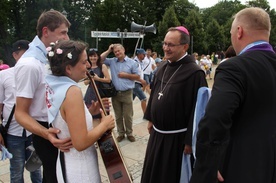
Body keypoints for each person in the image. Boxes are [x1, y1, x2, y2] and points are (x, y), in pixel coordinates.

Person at [190, 7, 276, 183]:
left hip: (243, 165)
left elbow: (214, 119)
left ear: (239, 32)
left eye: (230, 33)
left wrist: (207, 167)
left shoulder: (234, 67)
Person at [141, 26, 207, 183]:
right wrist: (151, 118)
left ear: (184, 46)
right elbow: (156, 93)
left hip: (177, 140)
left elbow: (198, 111)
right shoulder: (162, 67)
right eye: (164, 43)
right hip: (157, 134)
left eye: (170, 45)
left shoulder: (195, 73)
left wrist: (190, 140)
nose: (165, 48)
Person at [45, 40, 115, 183]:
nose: (88, 66)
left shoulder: (53, 84)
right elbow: (81, 142)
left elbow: (65, 119)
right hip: (81, 170)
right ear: (69, 68)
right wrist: (105, 124)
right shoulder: (73, 91)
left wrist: (89, 112)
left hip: (66, 162)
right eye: (84, 62)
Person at [14, 10, 71, 183]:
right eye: (63, 32)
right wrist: (46, 134)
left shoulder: (50, 57)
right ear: (46, 31)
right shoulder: (29, 64)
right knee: (54, 177)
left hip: (58, 126)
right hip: (45, 130)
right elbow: (20, 113)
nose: (67, 38)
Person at [0, 40, 42, 183]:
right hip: (13, 132)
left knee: (36, 168)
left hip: (33, 131)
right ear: (15, 55)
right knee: (16, 170)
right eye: (23, 55)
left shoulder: (36, 72)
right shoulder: (4, 75)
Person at [101, 43, 140, 142]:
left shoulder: (132, 62)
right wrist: (109, 50)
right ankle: (121, 133)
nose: (117, 53)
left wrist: (126, 75)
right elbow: (100, 59)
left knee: (128, 116)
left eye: (119, 51)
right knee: (118, 116)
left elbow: (137, 77)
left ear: (123, 50)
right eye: (115, 52)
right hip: (115, 93)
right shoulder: (112, 61)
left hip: (127, 92)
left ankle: (129, 133)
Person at [83, 49, 111, 118]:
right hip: (90, 94)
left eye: (95, 56)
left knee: (103, 114)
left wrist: (98, 79)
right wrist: (90, 78)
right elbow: (85, 82)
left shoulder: (102, 66)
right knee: (90, 116)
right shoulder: (87, 68)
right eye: (91, 56)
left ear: (98, 57)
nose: (93, 58)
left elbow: (108, 80)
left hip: (101, 93)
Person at [133, 48, 147, 114]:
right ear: (139, 54)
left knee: (129, 101)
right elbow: (132, 74)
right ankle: (146, 115)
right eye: (143, 54)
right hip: (135, 83)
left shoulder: (140, 62)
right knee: (143, 98)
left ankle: (125, 112)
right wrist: (141, 80)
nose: (144, 56)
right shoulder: (134, 62)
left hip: (138, 83)